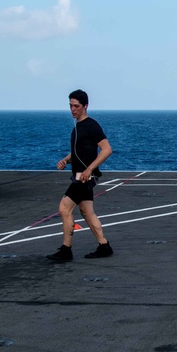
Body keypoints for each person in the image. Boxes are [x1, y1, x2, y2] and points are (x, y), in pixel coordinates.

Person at [47, 89, 114, 261]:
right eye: (70, 105)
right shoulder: (77, 127)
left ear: (85, 106)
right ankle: (104, 246)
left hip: (84, 178)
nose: (72, 109)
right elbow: (78, 152)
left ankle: (66, 250)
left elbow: (107, 150)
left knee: (64, 208)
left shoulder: (91, 125)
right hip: (80, 176)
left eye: (76, 106)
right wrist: (66, 160)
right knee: (87, 212)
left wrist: (89, 170)